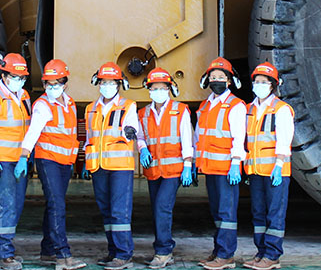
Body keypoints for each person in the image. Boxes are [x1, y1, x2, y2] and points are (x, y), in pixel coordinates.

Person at [17, 59, 86, 270]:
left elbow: (70, 134)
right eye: (48, 83)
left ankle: (47, 250)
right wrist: (24, 155)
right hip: (48, 161)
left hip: (65, 162)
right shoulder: (42, 106)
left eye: (56, 83)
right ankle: (62, 255)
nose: (52, 87)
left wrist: (79, 159)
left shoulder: (70, 103)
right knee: (57, 205)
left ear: (65, 83)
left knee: (53, 205)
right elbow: (33, 132)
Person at [84, 62, 145, 270]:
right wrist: (85, 161)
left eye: (111, 82)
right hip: (98, 166)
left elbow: (131, 126)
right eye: (104, 82)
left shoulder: (128, 106)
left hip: (119, 167)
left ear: (119, 84)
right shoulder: (91, 109)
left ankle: (124, 254)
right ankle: (113, 251)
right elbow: (89, 138)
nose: (107, 85)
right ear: (98, 82)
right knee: (106, 210)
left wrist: (129, 131)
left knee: (120, 211)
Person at [0, 53, 32, 270]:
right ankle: (5, 256)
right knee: (7, 207)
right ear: (4, 75)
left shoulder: (24, 96)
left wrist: (24, 157)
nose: (18, 80)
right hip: (1, 162)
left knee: (15, 207)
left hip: (18, 161)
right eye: (14, 76)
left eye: (21, 77)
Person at [139, 68, 194, 269]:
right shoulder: (143, 113)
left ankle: (163, 251)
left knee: (162, 206)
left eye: (163, 87)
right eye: (155, 88)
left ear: (169, 88)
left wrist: (188, 164)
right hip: (153, 170)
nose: (159, 91)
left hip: (174, 170)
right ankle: (163, 248)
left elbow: (187, 138)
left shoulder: (180, 110)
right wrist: (142, 148)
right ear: (149, 89)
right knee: (157, 209)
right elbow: (139, 136)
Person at [194, 57, 245, 270]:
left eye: (221, 77)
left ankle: (226, 255)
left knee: (226, 212)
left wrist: (236, 162)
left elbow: (238, 137)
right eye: (213, 77)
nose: (216, 80)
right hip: (210, 167)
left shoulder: (235, 105)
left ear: (230, 81)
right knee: (217, 212)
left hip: (226, 169)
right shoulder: (206, 105)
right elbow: (199, 136)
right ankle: (218, 251)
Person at [244, 62, 294, 270]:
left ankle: (272, 255)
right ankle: (261, 251)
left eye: (264, 82)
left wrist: (279, 164)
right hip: (255, 171)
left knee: (274, 214)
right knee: (258, 213)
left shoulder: (281, 109)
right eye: (257, 81)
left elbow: (284, 139)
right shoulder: (249, 109)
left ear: (273, 85)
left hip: (276, 171)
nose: (259, 85)